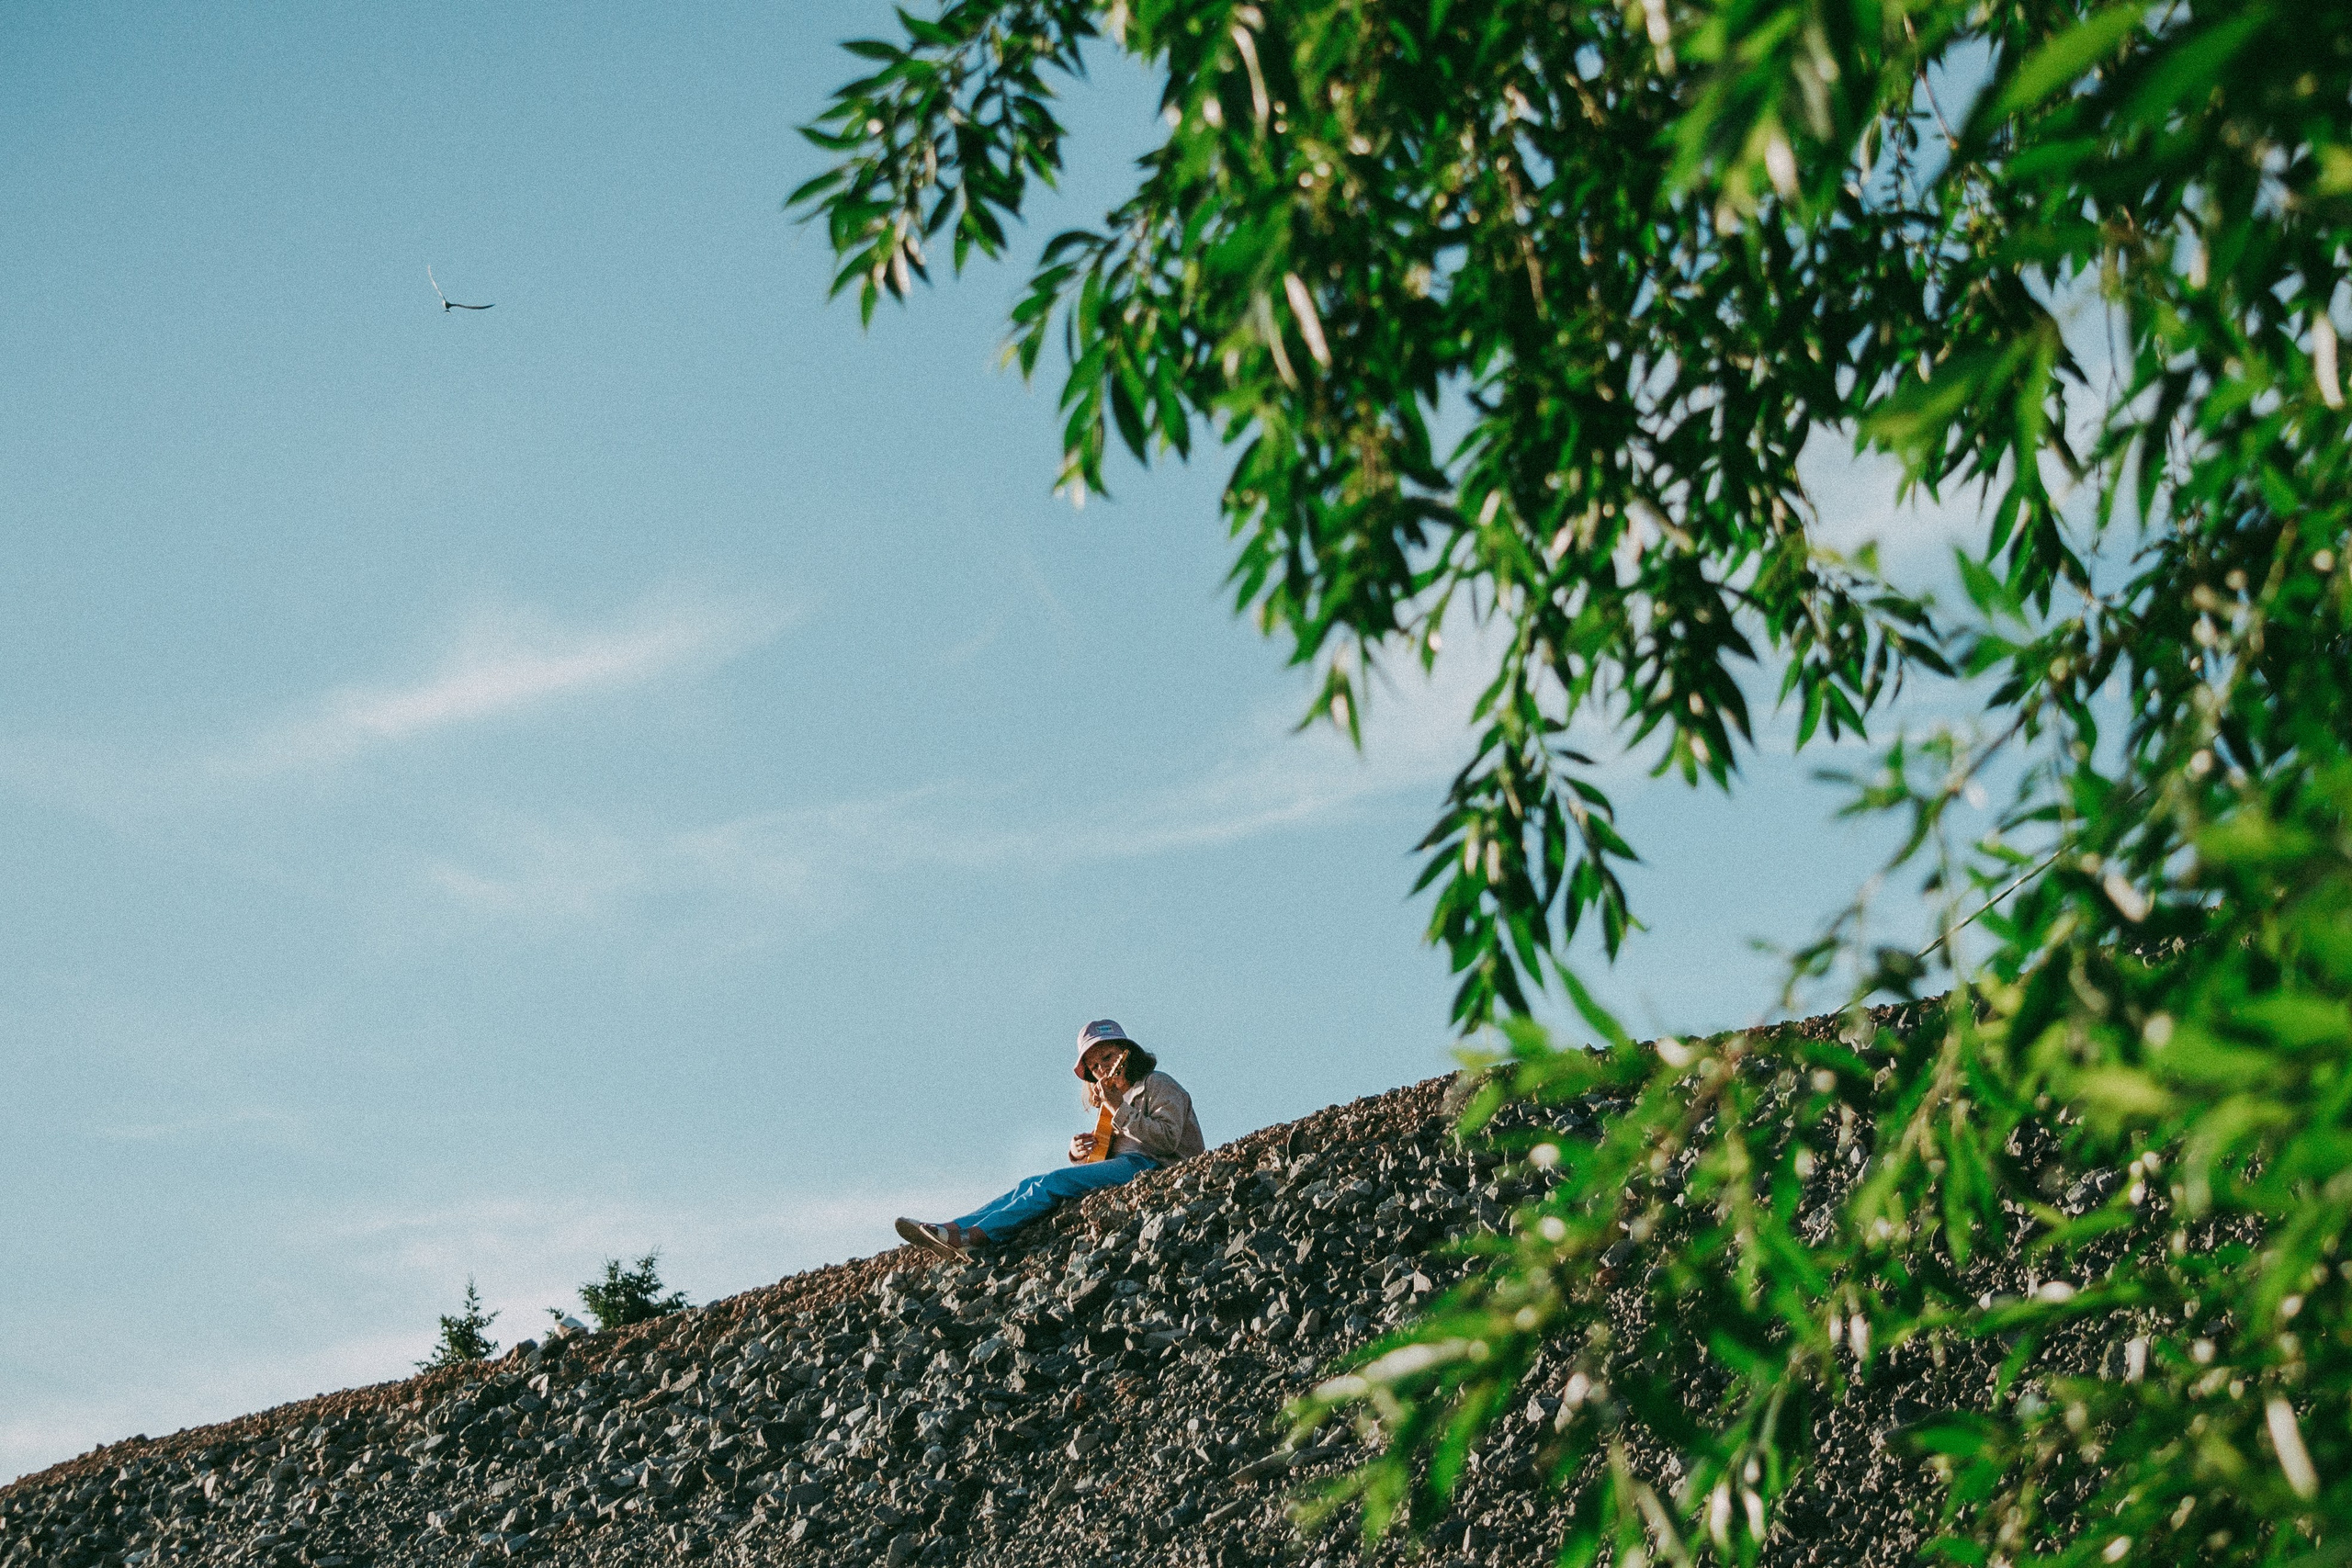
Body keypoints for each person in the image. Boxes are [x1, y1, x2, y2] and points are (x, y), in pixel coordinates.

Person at [895, 1019, 1204, 1262]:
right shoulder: (1114, 1102)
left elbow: (1166, 1140)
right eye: (1095, 1067)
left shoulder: (1157, 1083)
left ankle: (974, 1237)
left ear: (1127, 1054)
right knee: (1029, 1183)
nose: (1102, 1069)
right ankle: (951, 1228)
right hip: (1129, 1166)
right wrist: (1077, 1153)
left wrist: (1118, 1108)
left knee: (1051, 1182)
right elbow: (1106, 1157)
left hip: (1156, 1166)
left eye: (1108, 1057)